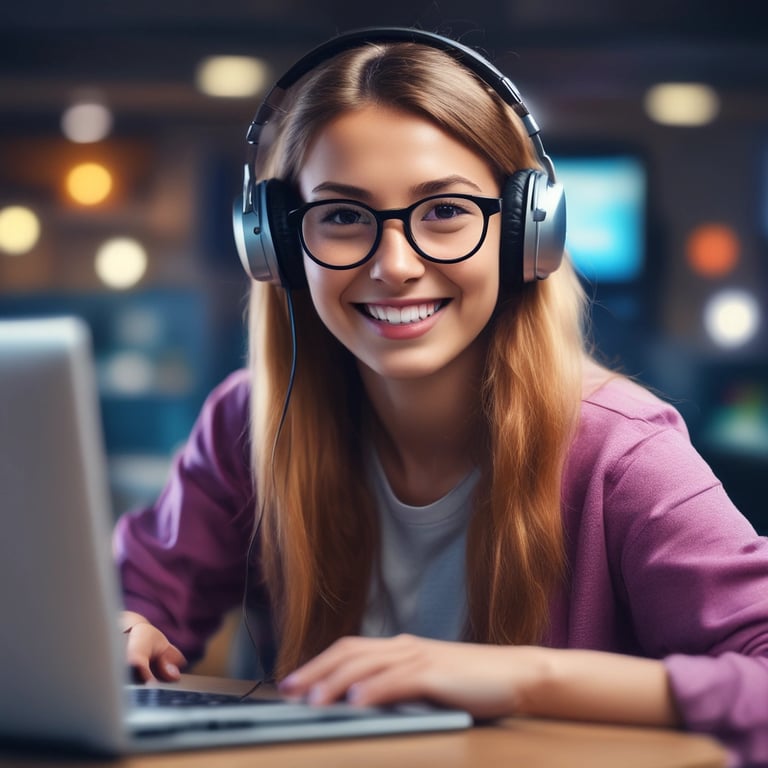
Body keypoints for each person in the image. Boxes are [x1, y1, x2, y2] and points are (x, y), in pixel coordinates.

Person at [114, 28, 768, 766]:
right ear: (280, 245)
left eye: (445, 211)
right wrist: (118, 629)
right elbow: (134, 599)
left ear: (525, 230)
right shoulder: (249, 422)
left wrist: (526, 677)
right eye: (342, 216)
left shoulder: (623, 451)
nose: (395, 266)